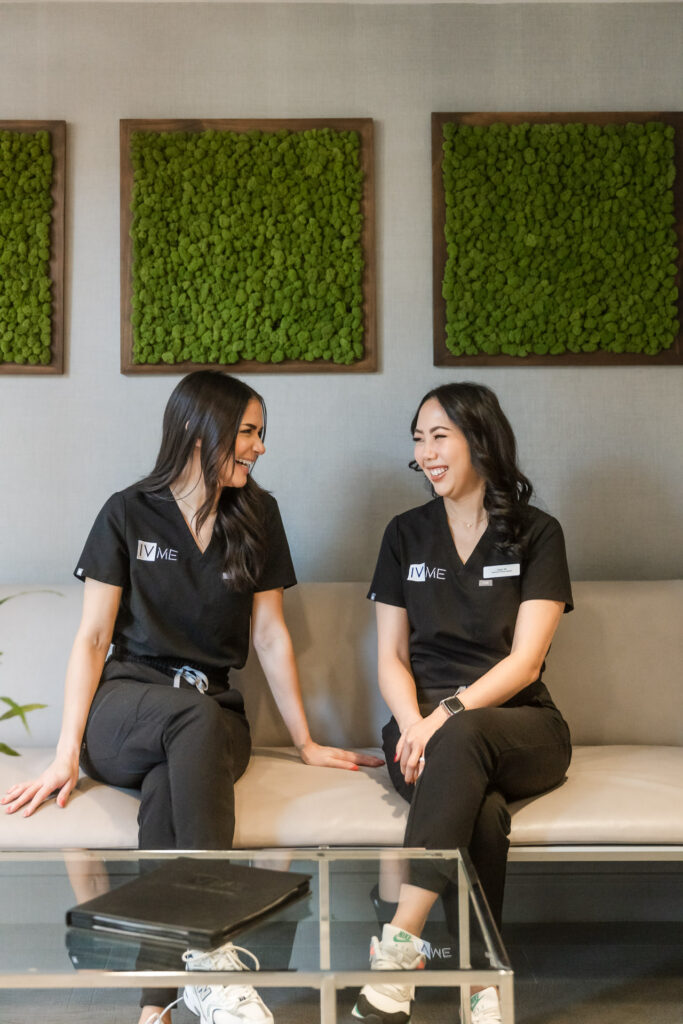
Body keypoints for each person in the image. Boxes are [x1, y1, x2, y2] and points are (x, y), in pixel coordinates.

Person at [1, 369, 383, 1024]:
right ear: (199, 432)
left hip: (212, 719)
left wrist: (306, 741)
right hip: (128, 706)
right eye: (248, 432)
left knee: (168, 790)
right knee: (186, 721)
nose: (260, 447)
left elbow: (267, 636)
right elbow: (93, 639)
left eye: (261, 434)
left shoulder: (258, 514)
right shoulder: (127, 512)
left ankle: (159, 1001)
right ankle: (215, 951)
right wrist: (66, 754)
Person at [352, 383, 573, 1024]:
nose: (426, 452)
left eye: (439, 435)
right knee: (483, 815)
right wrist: (415, 724)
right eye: (418, 439)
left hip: (522, 726)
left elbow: (525, 662)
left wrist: (444, 717)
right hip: (419, 734)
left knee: (467, 736)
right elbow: (391, 657)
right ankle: (484, 978)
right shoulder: (404, 535)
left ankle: (398, 952)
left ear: (479, 437)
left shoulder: (537, 533)